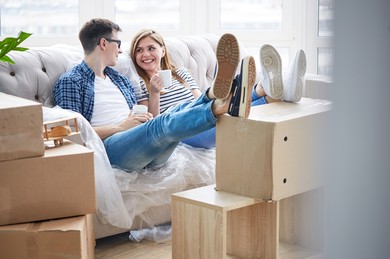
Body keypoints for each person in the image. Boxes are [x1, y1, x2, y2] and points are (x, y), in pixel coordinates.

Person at [53, 18, 249, 172]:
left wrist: (139, 119)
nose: (121, 50)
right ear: (104, 43)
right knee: (163, 121)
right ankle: (218, 105)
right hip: (112, 147)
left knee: (177, 110)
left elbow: (139, 113)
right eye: (118, 43)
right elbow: (72, 133)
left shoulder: (119, 79)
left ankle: (212, 94)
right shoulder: (72, 81)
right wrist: (120, 127)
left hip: (144, 147)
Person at [129, 29, 306, 148]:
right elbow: (153, 126)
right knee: (226, 113)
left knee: (252, 106)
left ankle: (273, 91)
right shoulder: (139, 83)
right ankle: (263, 88)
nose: (145, 54)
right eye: (139, 50)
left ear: (163, 51)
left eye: (151, 48)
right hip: (180, 130)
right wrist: (154, 92)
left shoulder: (181, 73)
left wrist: (209, 104)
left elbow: (200, 100)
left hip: (202, 113)